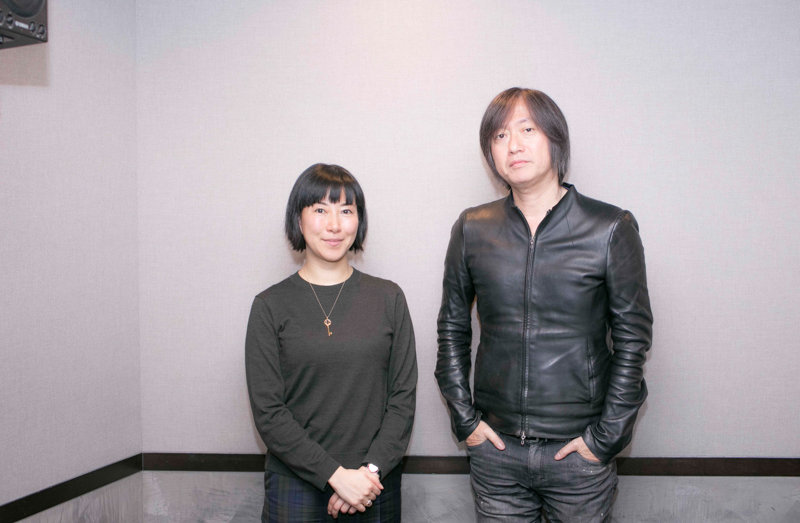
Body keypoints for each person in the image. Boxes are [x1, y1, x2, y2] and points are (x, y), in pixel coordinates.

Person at [435, 88, 653, 522]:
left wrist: (604, 440)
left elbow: (633, 342)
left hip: (578, 457)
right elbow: (452, 329)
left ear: (555, 138)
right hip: (496, 454)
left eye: (527, 130)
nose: (513, 145)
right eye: (499, 136)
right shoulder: (473, 228)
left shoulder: (609, 227)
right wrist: (466, 422)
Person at [246, 163, 417, 522]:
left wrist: (368, 473)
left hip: (375, 483)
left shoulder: (389, 298)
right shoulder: (269, 306)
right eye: (320, 210)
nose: (335, 225)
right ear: (299, 220)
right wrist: (336, 476)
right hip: (295, 484)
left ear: (359, 220)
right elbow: (269, 412)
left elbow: (402, 399)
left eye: (346, 211)